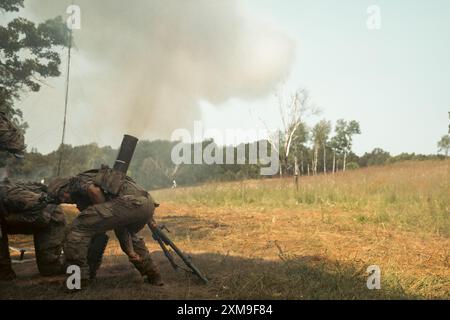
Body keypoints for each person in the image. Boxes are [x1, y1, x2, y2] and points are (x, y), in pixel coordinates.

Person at [48, 166, 163, 286]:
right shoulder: (90, 180)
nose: (64, 200)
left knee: (76, 229)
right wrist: (129, 251)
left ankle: (76, 281)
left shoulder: (76, 182)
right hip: (145, 203)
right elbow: (119, 223)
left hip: (130, 202)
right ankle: (153, 275)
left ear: (64, 186)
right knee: (129, 236)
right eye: (60, 200)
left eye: (62, 195)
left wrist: (104, 212)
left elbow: (94, 191)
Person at [0, 179, 66, 280]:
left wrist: (11, 219)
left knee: (49, 269)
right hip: (20, 215)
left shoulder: (13, 196)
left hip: (48, 216)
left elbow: (42, 212)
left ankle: (77, 265)